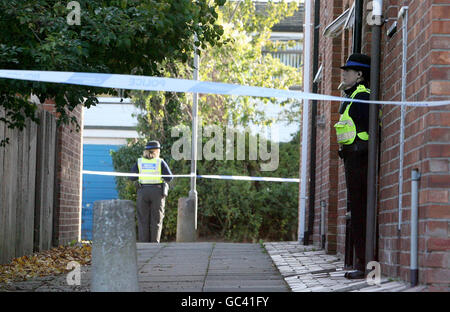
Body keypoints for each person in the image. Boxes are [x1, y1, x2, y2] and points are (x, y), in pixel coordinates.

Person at [334, 53, 371, 279]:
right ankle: (359, 263)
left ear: (359, 75)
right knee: (356, 211)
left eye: (348, 71)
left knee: (360, 212)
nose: (343, 73)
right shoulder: (352, 96)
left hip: (360, 160)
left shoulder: (362, 97)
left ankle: (363, 264)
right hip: (352, 159)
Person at [129, 141, 173, 243]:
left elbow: (131, 177)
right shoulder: (160, 162)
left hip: (143, 192)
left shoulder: (139, 162)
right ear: (157, 151)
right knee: (156, 220)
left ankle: (144, 244)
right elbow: (169, 177)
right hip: (157, 192)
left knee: (143, 220)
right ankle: (154, 244)